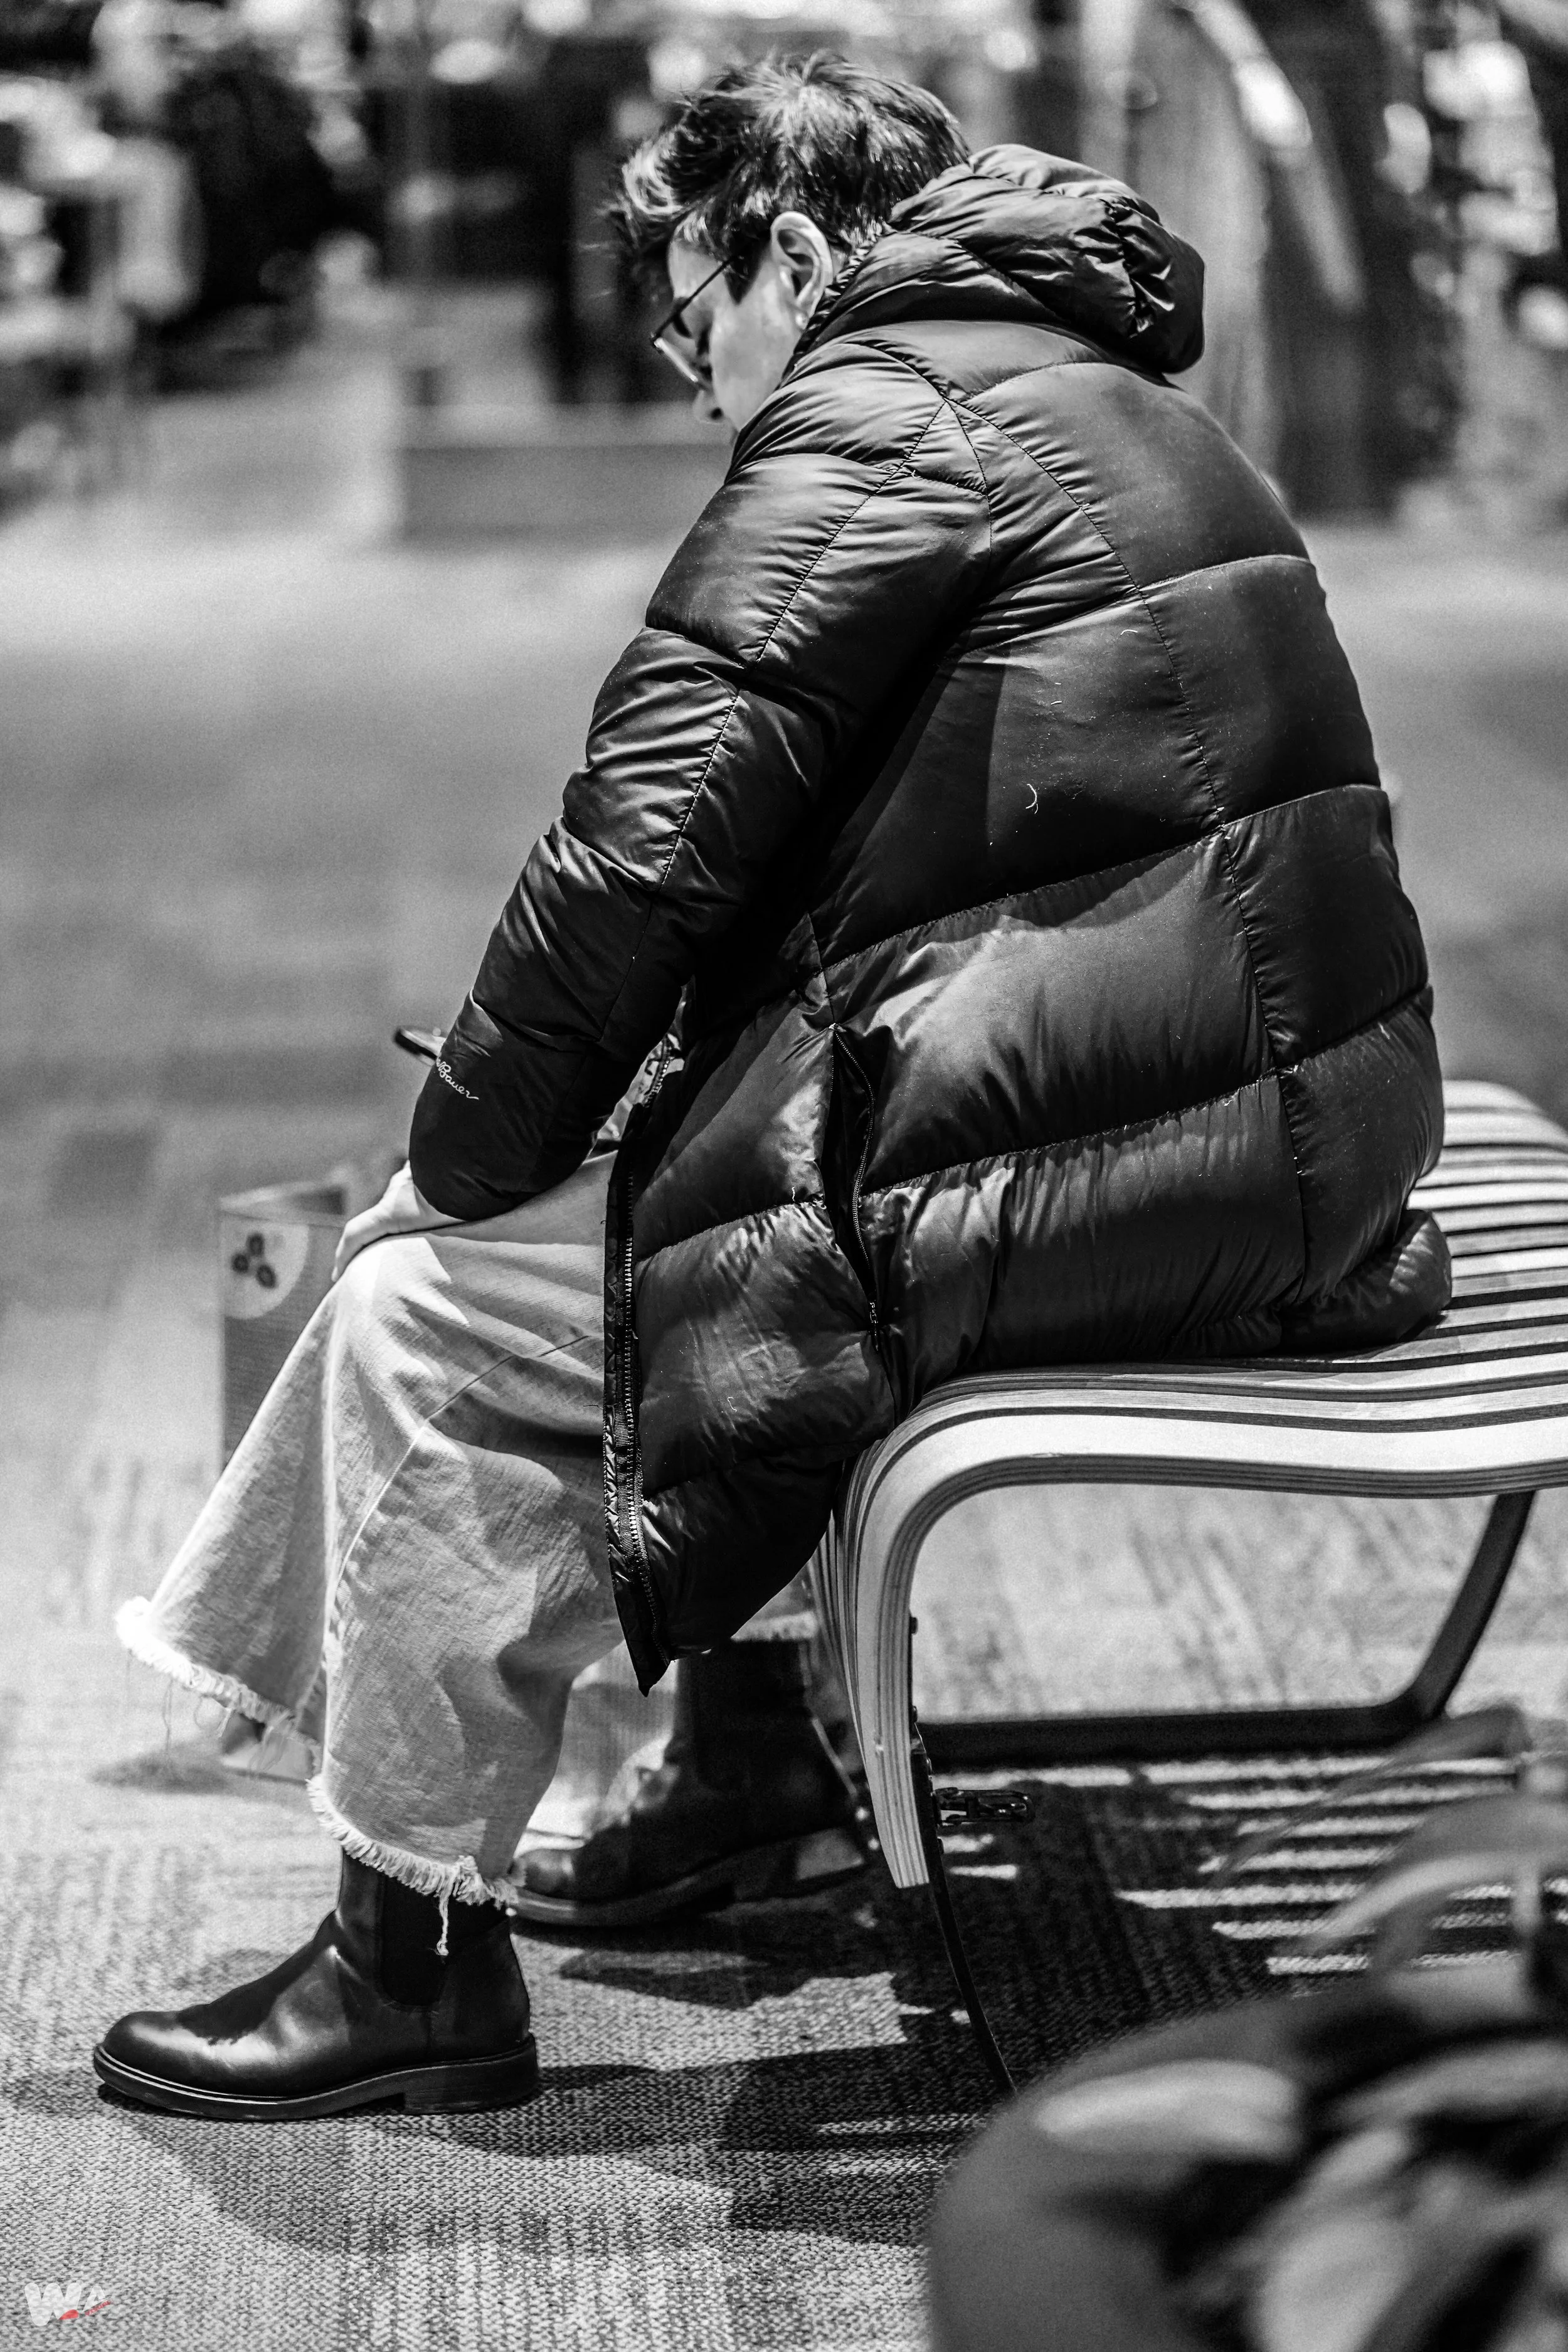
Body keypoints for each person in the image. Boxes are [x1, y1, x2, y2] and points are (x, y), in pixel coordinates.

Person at [95, 51, 1449, 2121]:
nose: (689, 377)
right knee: (665, 1193)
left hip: (1180, 1151)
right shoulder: (1078, 380)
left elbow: (636, 850)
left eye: (692, 317)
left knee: (430, 1304)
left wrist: (460, 1156)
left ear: (796, 255)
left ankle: (407, 1963)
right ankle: (739, 1766)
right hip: (1288, 1125)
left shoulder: (878, 414)